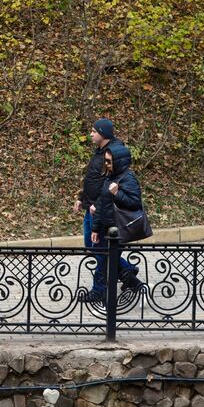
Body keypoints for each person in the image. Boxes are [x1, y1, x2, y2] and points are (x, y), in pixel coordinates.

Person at [76, 117, 136, 301]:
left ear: (103, 133)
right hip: (92, 206)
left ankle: (100, 289)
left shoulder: (112, 154)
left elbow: (108, 182)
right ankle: (126, 270)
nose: (91, 134)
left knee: (101, 249)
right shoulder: (100, 151)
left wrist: (98, 205)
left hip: (100, 209)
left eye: (94, 131)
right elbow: (93, 179)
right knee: (93, 246)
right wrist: (81, 197)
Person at [89, 146, 147, 297]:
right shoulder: (110, 177)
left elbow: (134, 203)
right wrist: (95, 228)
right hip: (106, 229)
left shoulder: (128, 179)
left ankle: (102, 296)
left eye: (109, 161)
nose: (106, 164)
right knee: (106, 258)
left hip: (119, 229)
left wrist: (117, 193)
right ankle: (131, 278)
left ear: (119, 162)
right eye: (105, 161)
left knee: (105, 261)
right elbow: (102, 202)